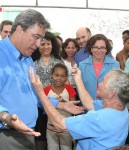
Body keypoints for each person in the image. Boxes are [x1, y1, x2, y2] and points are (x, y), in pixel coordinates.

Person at [0, 9, 84, 150]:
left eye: (41, 39)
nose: (39, 44)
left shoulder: (27, 59)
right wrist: (5, 118)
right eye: (36, 37)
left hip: (28, 133)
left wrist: (60, 105)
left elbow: (33, 94)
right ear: (20, 29)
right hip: (6, 135)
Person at [30, 67, 129, 150]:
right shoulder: (121, 109)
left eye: (103, 81)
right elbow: (89, 103)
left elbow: (60, 124)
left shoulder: (98, 118)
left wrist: (40, 92)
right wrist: (78, 78)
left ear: (112, 93)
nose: (99, 84)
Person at [31, 31, 64, 150]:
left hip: (55, 102)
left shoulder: (58, 61)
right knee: (40, 132)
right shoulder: (31, 60)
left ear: (53, 45)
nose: (46, 47)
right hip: (36, 102)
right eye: (42, 44)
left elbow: (64, 80)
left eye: (48, 44)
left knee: (54, 131)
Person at [79, 34, 119, 101]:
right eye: (95, 47)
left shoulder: (115, 65)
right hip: (87, 107)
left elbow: (117, 88)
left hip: (108, 106)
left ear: (107, 49)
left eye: (102, 47)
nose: (99, 50)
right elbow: (80, 89)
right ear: (91, 49)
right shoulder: (82, 65)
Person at [45, 63, 76, 150]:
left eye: (62, 76)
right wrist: (54, 104)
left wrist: (64, 102)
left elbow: (74, 107)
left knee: (66, 148)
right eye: (56, 75)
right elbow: (43, 106)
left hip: (66, 127)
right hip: (51, 127)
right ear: (51, 75)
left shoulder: (70, 89)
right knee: (52, 148)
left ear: (66, 77)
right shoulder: (46, 89)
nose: (59, 78)